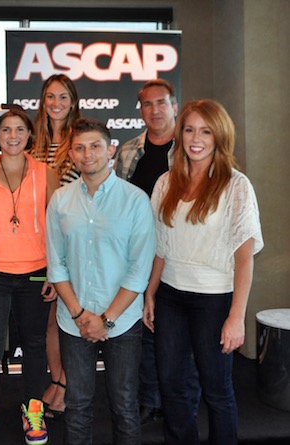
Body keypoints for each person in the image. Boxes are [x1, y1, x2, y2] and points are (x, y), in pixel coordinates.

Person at [144, 99, 263, 445]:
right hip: (170, 296)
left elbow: (245, 257)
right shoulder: (167, 182)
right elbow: (160, 246)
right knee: (171, 385)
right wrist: (150, 293)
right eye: (189, 129)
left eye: (205, 131)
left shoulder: (236, 186)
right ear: (180, 134)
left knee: (216, 389)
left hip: (215, 300)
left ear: (219, 136)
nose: (196, 138)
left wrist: (236, 317)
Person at [47, 118, 156, 445]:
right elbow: (57, 266)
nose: (87, 154)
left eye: (95, 146)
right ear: (72, 154)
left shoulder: (135, 200)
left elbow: (139, 269)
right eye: (79, 148)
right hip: (74, 321)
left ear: (110, 149)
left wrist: (106, 319)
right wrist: (82, 316)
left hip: (121, 322)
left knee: (124, 404)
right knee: (77, 405)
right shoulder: (60, 200)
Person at [0, 106, 59, 445]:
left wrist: (56, 274)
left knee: (34, 346)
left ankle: (33, 411)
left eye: (20, 129)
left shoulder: (46, 174)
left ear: (30, 134)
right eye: (6, 130)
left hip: (35, 273)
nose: (13, 136)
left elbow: (58, 228)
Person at [113, 79, 199, 424]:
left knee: (184, 335)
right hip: (142, 255)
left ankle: (186, 403)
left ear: (174, 106)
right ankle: (151, 399)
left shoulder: (193, 148)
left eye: (161, 103)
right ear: (140, 111)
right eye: (147, 104)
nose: (155, 110)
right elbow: (117, 204)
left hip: (181, 255)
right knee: (146, 329)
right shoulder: (128, 151)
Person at [30, 74, 81, 421]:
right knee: (50, 321)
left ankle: (65, 387)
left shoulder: (81, 141)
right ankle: (57, 380)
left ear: (73, 101)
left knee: (69, 318)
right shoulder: (33, 143)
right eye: (51, 96)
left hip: (73, 243)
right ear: (43, 101)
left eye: (63, 96)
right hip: (37, 243)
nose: (57, 103)